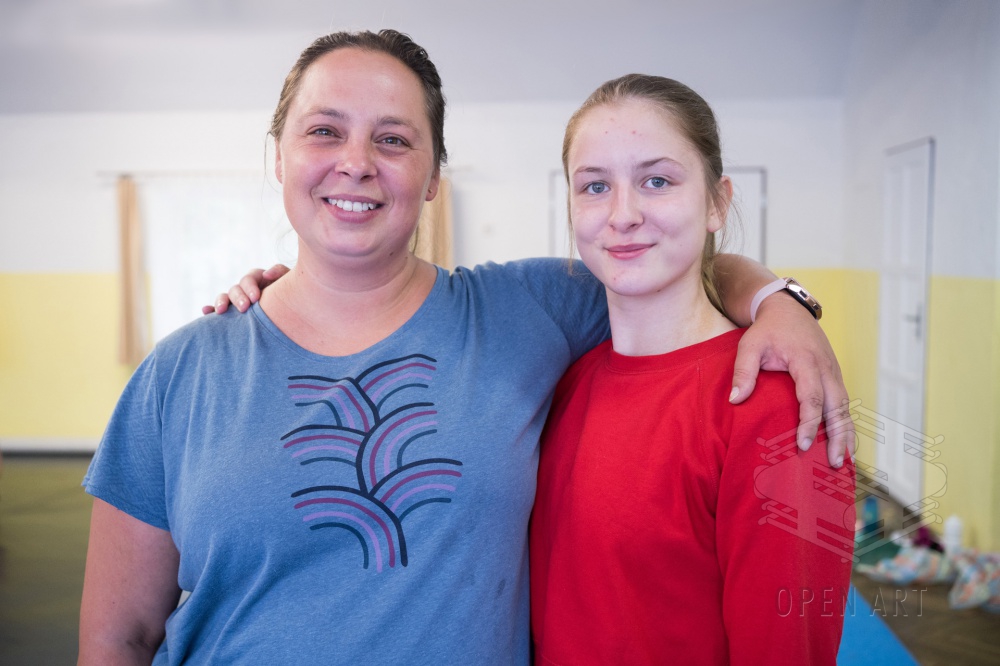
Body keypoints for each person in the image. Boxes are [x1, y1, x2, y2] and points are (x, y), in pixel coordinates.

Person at [80, 30, 851, 664]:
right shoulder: (180, 371)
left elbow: (668, 268)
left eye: (393, 139)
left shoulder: (530, 312)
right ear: (278, 157)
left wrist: (781, 303)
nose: (356, 162)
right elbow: (118, 637)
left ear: (433, 179)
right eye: (324, 131)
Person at [528, 74, 855, 665]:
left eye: (657, 181)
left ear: (716, 203)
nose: (622, 215)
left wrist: (783, 302)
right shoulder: (570, 379)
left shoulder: (774, 404)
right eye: (595, 186)